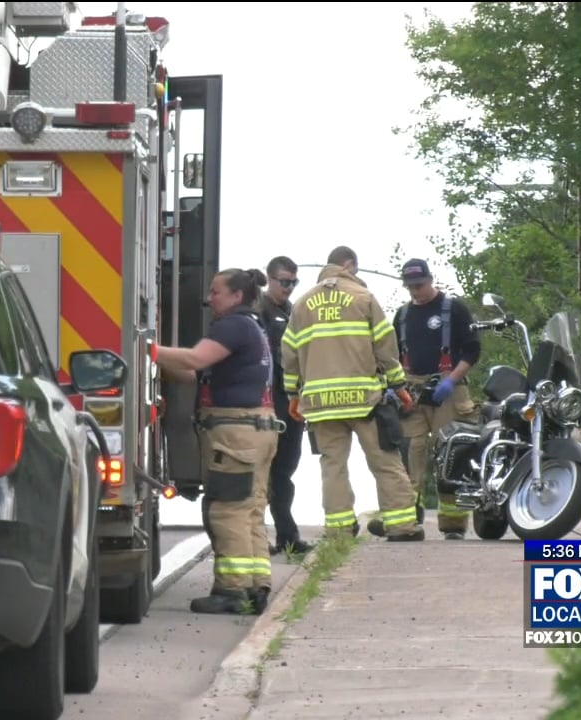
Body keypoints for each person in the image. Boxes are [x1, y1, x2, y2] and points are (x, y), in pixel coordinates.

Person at [155, 268, 281, 615]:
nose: (209, 299)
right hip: (258, 429)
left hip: (235, 433)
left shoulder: (234, 326)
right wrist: (162, 365)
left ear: (237, 296)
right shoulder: (252, 326)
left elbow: (195, 359)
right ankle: (256, 586)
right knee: (250, 510)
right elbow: (195, 372)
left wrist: (146, 347)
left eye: (216, 292)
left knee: (227, 511)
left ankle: (231, 591)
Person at [281, 246, 425, 542]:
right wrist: (399, 386)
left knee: (333, 466)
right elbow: (386, 345)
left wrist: (292, 395)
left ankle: (339, 530)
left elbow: (290, 355)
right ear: (348, 265)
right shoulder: (363, 298)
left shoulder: (302, 305)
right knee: (385, 460)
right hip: (364, 400)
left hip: (320, 404)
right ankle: (401, 526)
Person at [367, 258, 482, 541]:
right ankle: (405, 519)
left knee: (450, 456)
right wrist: (395, 387)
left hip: (448, 390)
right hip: (413, 394)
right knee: (409, 455)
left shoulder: (453, 309)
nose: (415, 292)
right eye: (410, 287)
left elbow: (472, 350)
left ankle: (453, 524)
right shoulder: (403, 315)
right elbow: (392, 355)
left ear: (431, 280)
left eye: (419, 285)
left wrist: (452, 380)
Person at [255, 255, 312, 557]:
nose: (289, 287)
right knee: (264, 473)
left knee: (284, 473)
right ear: (270, 279)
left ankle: (287, 537)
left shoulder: (291, 312)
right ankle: (259, 538)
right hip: (269, 402)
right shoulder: (260, 310)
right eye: (284, 281)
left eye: (293, 282)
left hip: (292, 402)